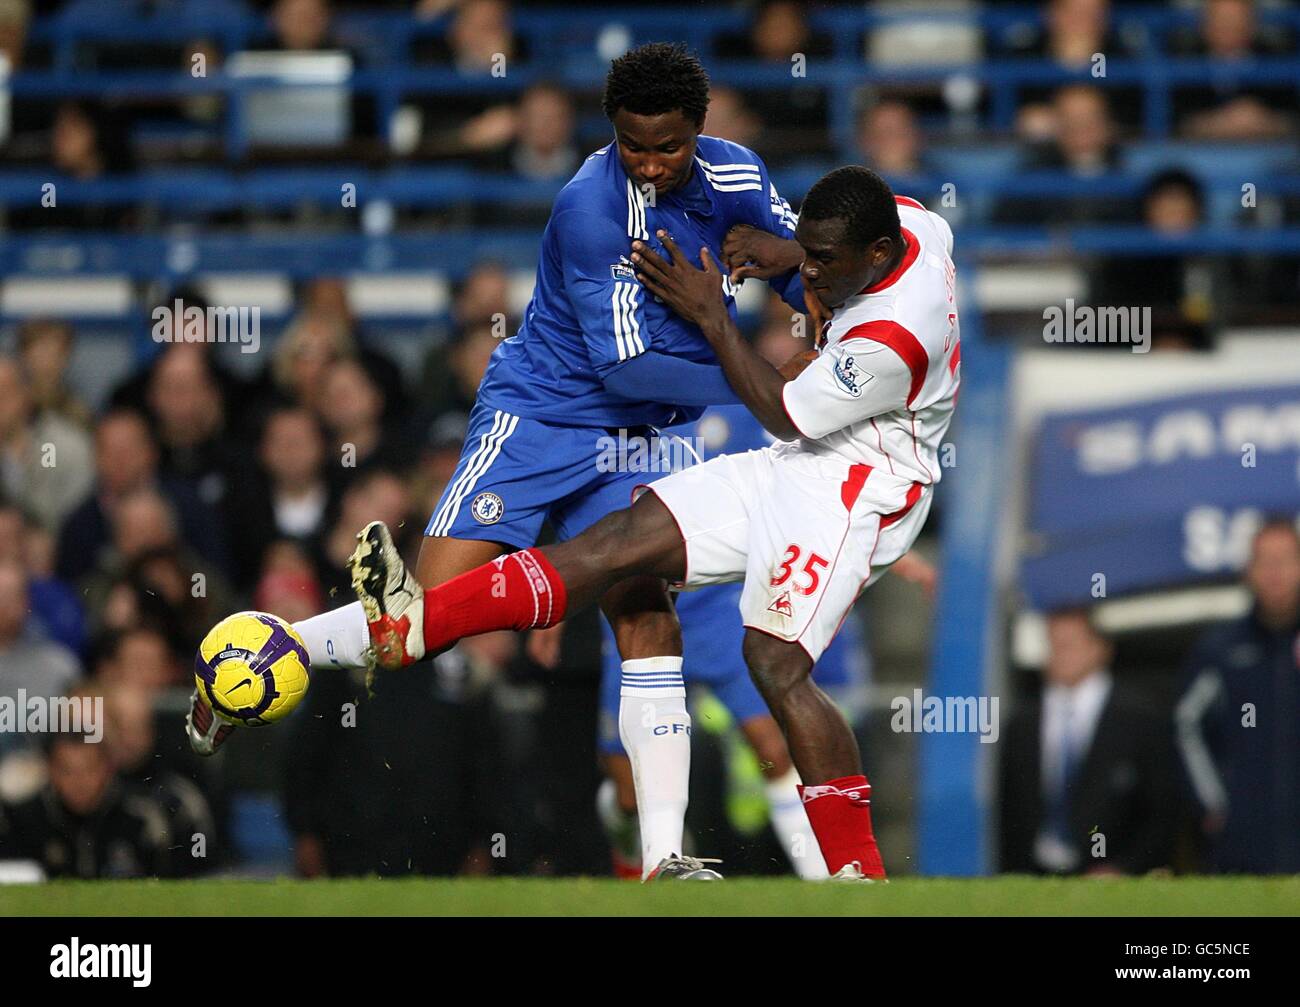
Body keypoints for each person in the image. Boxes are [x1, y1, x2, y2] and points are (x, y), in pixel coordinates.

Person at [190, 43, 813, 882]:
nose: (652, 161)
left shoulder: (738, 176)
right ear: (613, 131)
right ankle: (261, 660)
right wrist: (761, 376)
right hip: (539, 419)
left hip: (634, 444)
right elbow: (626, 367)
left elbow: (797, 266)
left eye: (669, 144)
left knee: (644, 611)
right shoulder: (591, 210)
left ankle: (666, 859)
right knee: (418, 629)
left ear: (701, 130)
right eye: (634, 143)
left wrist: (811, 314)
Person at [346, 166, 962, 881]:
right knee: (618, 542)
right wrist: (790, 251)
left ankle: (861, 877)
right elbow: (803, 379)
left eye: (827, 262)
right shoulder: (917, 224)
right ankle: (412, 621)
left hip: (857, 485)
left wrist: (711, 314)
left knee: (774, 665)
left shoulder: (896, 335)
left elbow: (783, 409)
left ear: (880, 256)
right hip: (798, 461)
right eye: (811, 252)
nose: (812, 274)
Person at [999, 609, 1180, 875]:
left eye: (1069, 644)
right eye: (1052, 644)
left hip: (1115, 880)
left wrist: (1124, 868)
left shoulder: (1141, 718)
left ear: (1100, 649)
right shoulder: (1022, 723)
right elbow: (1011, 811)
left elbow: (1164, 808)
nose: (1058, 653)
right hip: (1036, 880)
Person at [1175, 518, 1300, 873]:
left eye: (1286, 560)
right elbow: (1186, 727)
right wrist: (1215, 806)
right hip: (1240, 853)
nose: (1275, 572)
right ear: (1249, 571)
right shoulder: (1220, 649)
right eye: (1265, 561)